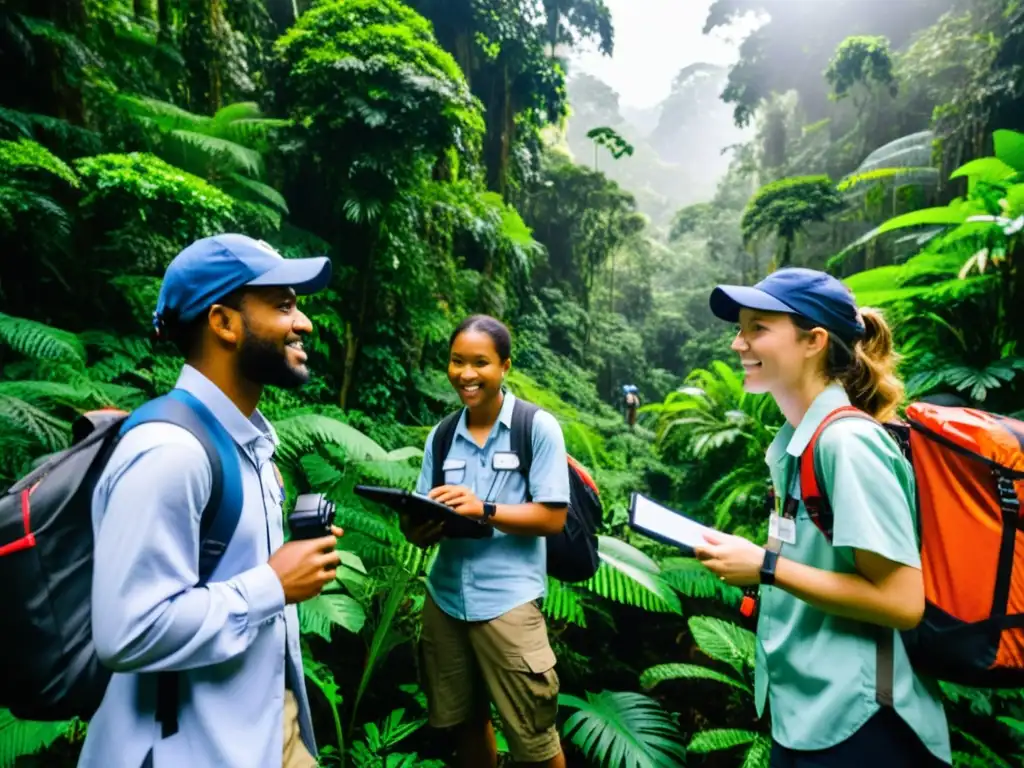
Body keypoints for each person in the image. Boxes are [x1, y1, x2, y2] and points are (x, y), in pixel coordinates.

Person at [79, 234, 343, 768]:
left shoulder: (250, 447)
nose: (305, 323)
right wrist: (273, 584)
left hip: (264, 732)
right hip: (188, 748)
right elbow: (127, 631)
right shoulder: (170, 452)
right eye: (283, 305)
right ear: (223, 322)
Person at [694, 268, 951, 767]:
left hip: (862, 721)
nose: (737, 343)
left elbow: (901, 601)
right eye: (740, 328)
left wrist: (766, 567)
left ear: (813, 340)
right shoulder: (800, 441)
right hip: (806, 715)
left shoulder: (847, 443)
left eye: (757, 328)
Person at [402, 315, 570, 768]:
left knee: (534, 736)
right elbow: (422, 512)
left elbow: (553, 517)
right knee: (466, 721)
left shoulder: (535, 428)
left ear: (505, 366)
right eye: (457, 361)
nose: (466, 374)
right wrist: (417, 528)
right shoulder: (441, 436)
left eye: (480, 362)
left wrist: (486, 509)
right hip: (445, 598)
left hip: (509, 601)